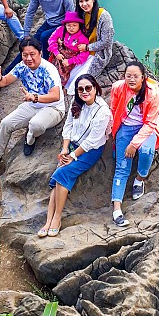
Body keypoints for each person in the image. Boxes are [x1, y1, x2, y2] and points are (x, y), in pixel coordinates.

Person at [38, 74, 112, 238]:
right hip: (72, 146)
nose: (84, 92)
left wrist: (72, 156)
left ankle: (56, 218)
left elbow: (92, 141)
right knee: (58, 177)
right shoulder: (76, 102)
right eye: (81, 89)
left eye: (88, 88)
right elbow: (68, 126)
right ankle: (48, 221)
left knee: (62, 173)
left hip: (89, 151)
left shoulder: (103, 112)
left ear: (95, 88)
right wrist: (65, 149)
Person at [0, 37, 65, 163]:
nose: (29, 58)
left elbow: (55, 95)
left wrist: (35, 97)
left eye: (32, 54)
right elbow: (4, 82)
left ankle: (30, 138)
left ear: (40, 53)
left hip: (53, 107)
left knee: (35, 125)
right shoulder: (22, 66)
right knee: (6, 124)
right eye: (25, 55)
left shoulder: (48, 70)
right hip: (33, 105)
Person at [110, 61, 159, 227]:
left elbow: (150, 122)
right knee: (122, 167)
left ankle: (139, 180)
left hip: (146, 127)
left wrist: (134, 144)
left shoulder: (152, 93)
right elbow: (114, 109)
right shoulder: (118, 88)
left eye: (135, 76)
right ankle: (116, 210)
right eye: (128, 76)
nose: (131, 79)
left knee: (146, 151)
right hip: (125, 127)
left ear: (143, 77)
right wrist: (112, 132)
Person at [3, 0, 74, 73]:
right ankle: (6, 72)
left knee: (44, 36)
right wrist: (26, 34)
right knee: (29, 45)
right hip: (49, 23)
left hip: (63, 25)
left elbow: (71, 18)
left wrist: (64, 34)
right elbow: (30, 12)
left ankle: (46, 69)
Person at [65, 0, 114, 90]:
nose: (84, 4)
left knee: (79, 81)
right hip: (82, 51)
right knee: (68, 76)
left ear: (93, 0)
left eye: (87, 0)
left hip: (97, 53)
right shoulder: (83, 14)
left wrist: (87, 47)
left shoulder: (104, 16)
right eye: (81, 1)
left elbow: (106, 41)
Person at [47, 11, 90, 86]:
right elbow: (51, 40)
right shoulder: (61, 30)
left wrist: (70, 61)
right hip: (57, 57)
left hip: (68, 63)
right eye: (69, 25)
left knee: (60, 78)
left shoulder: (82, 38)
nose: (71, 28)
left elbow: (83, 56)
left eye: (74, 25)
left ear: (79, 25)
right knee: (50, 72)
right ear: (65, 25)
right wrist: (56, 53)